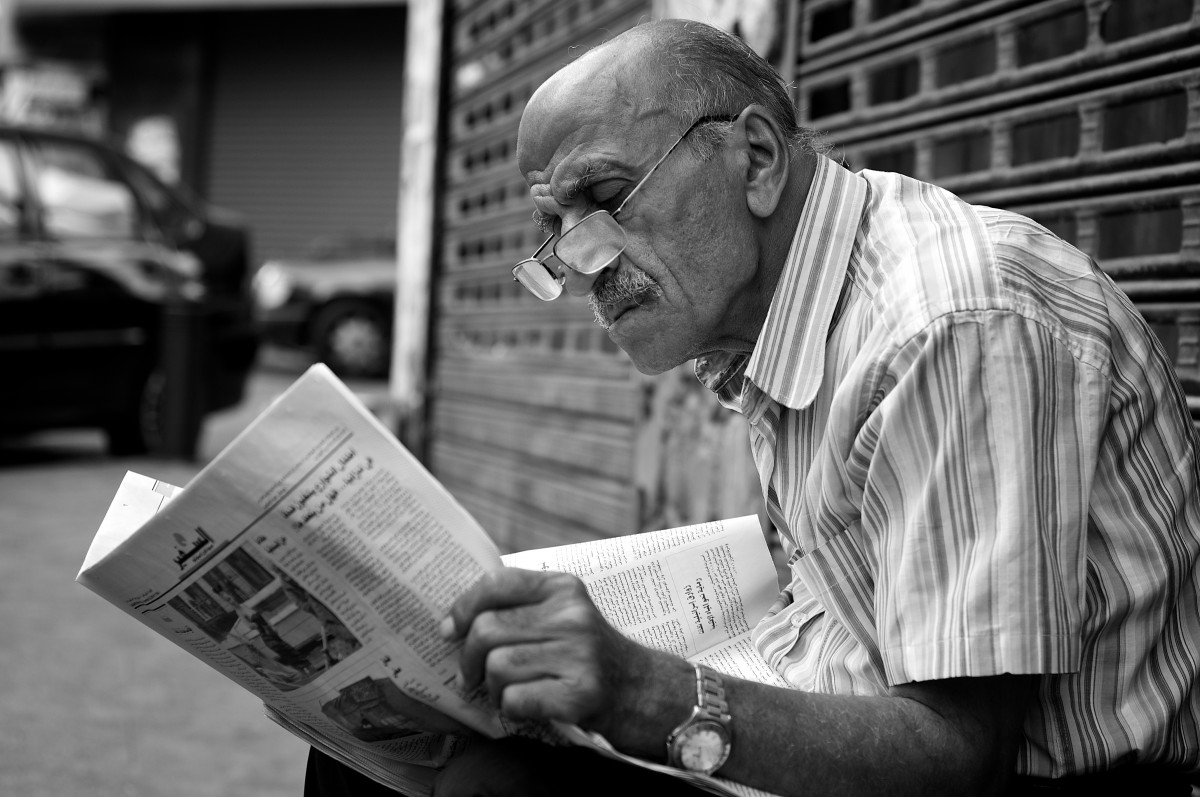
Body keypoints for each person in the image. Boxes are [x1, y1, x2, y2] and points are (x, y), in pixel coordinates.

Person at [307, 18, 1200, 796]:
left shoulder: (947, 325)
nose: (579, 263)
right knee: (394, 750)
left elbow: (960, 758)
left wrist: (643, 692)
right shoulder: (780, 314)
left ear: (758, 158)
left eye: (605, 199)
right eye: (555, 230)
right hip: (866, 716)